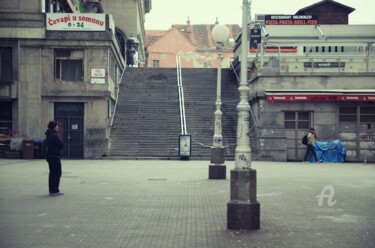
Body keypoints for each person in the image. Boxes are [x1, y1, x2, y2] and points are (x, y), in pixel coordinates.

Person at [45, 121, 64, 196]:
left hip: (49, 156)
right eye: (57, 126)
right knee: (57, 173)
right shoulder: (54, 135)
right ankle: (55, 190)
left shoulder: (48, 134)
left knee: (52, 173)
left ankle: (51, 190)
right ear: (54, 127)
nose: (58, 128)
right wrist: (57, 149)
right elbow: (62, 144)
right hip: (55, 156)